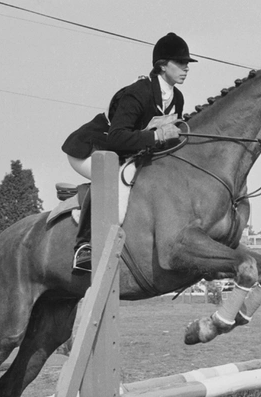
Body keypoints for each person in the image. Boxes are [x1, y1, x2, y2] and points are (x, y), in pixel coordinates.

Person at [61, 32, 196, 271]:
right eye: (180, 63)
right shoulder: (138, 93)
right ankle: (84, 247)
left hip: (125, 153)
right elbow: (116, 138)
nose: (186, 68)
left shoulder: (177, 98)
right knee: (110, 176)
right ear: (162, 66)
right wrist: (157, 135)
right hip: (91, 149)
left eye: (187, 63)